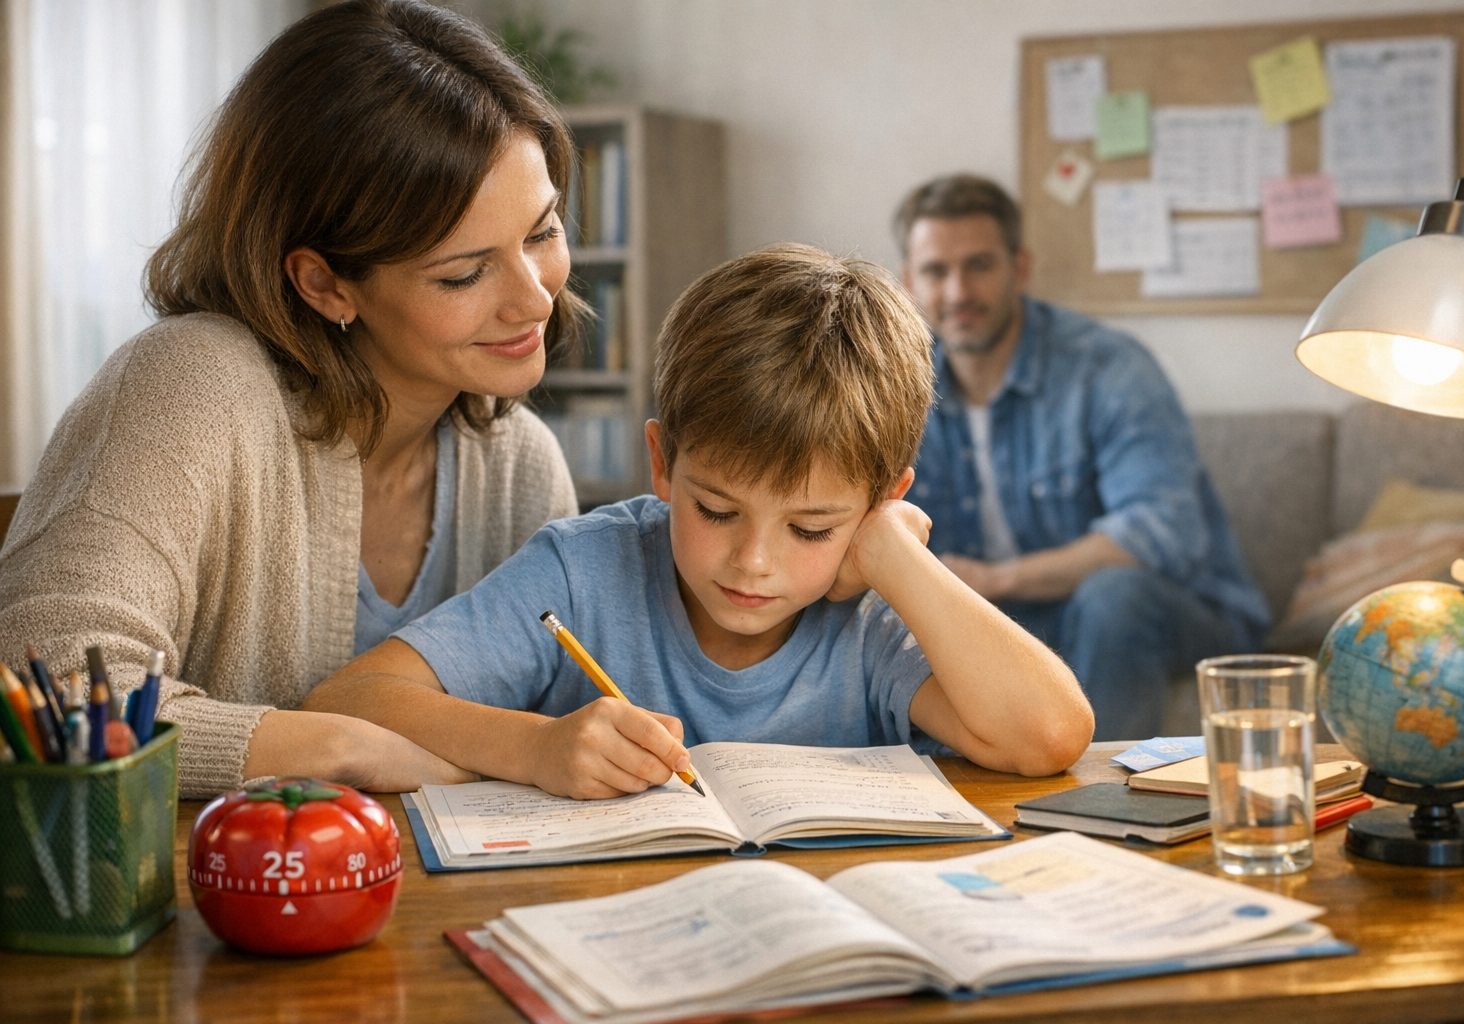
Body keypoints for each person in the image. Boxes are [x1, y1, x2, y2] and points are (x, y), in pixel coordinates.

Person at [0, 0, 584, 797]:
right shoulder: (192, 385)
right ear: (323, 282)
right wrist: (340, 747)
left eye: (542, 233)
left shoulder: (519, 464)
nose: (535, 300)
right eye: (463, 273)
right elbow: (42, 682)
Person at [304, 244, 1094, 798]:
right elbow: (350, 700)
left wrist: (895, 554)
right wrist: (536, 746)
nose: (754, 562)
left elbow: (1051, 734)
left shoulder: (872, 616)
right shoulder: (584, 570)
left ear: (880, 502)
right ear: (662, 464)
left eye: (811, 530)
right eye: (717, 510)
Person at [892, 174, 1270, 741]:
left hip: (1179, 611)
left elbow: (1159, 535)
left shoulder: (1108, 369)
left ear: (1019, 268)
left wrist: (996, 580)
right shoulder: (899, 385)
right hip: (1018, 621)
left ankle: (1101, 803)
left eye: (979, 266)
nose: (957, 292)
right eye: (936, 272)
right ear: (908, 281)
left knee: (1111, 595)